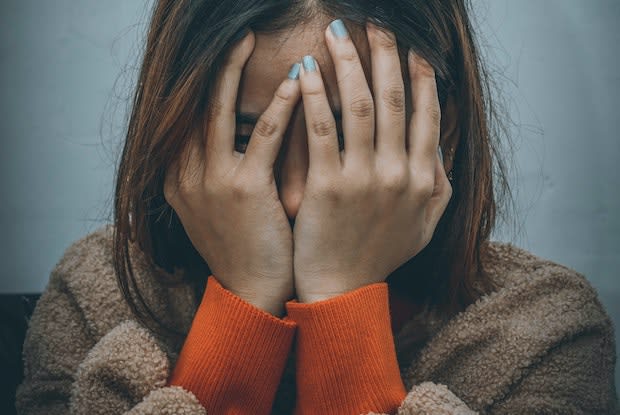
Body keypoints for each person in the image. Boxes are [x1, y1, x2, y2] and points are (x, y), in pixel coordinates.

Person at [15, 1, 618, 414]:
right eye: (251, 141)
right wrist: (245, 302)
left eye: (351, 141)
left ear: (443, 130)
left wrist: (339, 299)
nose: (301, 195)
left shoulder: (543, 331)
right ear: (176, 133)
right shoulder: (99, 297)